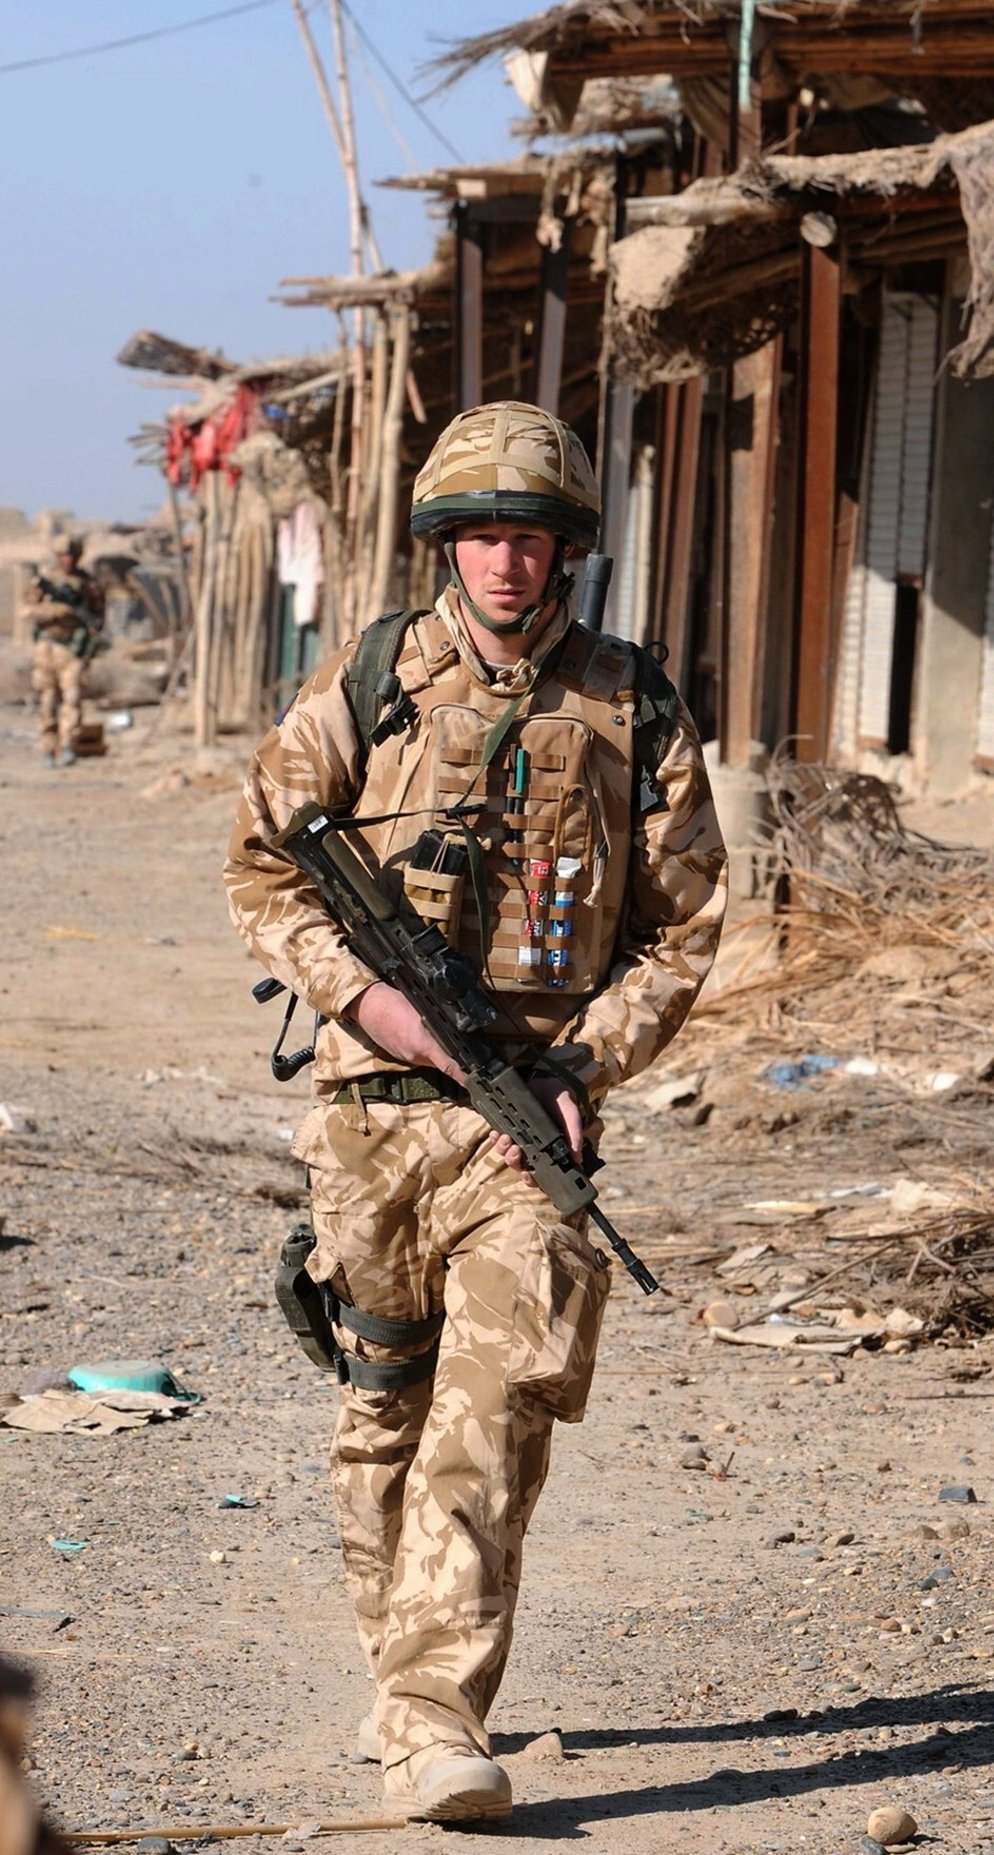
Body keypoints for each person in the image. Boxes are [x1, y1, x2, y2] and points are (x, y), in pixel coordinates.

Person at [224, 401, 728, 1824]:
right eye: (483, 535)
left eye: (532, 537)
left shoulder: (630, 702)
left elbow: (684, 924)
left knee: (498, 1405)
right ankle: (401, 1672)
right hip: (373, 1115)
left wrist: (579, 1068)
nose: (508, 563)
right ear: (447, 543)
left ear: (568, 549)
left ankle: (434, 1717)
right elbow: (262, 862)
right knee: (384, 1406)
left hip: (527, 1124)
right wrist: (369, 1002)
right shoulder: (373, 677)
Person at [24, 535, 105, 766]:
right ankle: (48, 748)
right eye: (64, 556)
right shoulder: (46, 581)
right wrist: (55, 610)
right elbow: (27, 611)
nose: (68, 560)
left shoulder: (88, 583)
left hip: (73, 648)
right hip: (46, 648)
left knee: (73, 698)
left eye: (72, 556)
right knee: (47, 699)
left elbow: (98, 617)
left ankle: (68, 744)